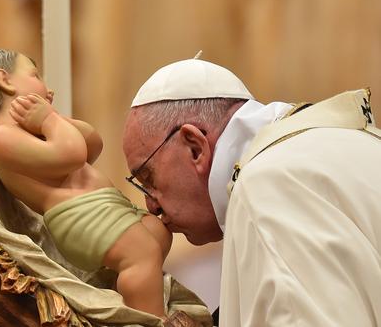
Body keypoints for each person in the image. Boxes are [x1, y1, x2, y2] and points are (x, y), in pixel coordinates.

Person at [122, 54, 381, 326]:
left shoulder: (267, 185)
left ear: (195, 147)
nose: (152, 206)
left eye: (147, 178)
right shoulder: (349, 143)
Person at [0, 49, 173, 317]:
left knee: (157, 232)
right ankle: (149, 319)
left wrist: (51, 120)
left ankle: (131, 293)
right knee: (143, 253)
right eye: (35, 75)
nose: (47, 86)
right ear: (5, 80)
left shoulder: (38, 130)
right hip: (80, 215)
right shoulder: (1, 138)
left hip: (105, 207)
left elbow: (92, 145)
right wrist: (49, 120)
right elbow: (73, 154)